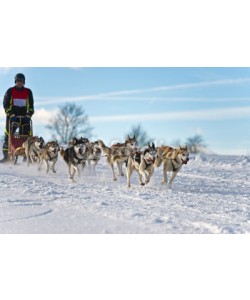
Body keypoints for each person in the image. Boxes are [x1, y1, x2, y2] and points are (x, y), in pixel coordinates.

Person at [0, 73, 34, 163]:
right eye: (18, 81)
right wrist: (10, 113)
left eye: (21, 81)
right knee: (9, 135)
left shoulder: (28, 92)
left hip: (24, 117)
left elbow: (31, 106)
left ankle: (26, 155)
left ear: (24, 82)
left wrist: (29, 114)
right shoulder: (10, 91)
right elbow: (6, 104)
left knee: (26, 136)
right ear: (16, 81)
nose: (20, 83)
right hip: (12, 117)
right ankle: (6, 156)